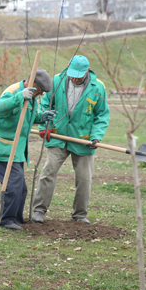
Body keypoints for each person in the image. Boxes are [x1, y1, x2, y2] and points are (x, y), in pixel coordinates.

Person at [32, 55, 110, 224]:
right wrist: (44, 126)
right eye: (72, 74)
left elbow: (102, 115)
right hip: (57, 134)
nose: (74, 78)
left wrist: (96, 136)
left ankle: (80, 214)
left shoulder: (98, 88)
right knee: (48, 172)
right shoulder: (57, 81)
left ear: (87, 71)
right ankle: (38, 210)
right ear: (68, 67)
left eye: (79, 76)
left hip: (83, 140)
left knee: (84, 178)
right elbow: (46, 104)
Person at [0, 68, 55, 230]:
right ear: (34, 84)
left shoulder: (32, 97)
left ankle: (15, 218)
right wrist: (19, 97)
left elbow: (27, 116)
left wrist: (42, 116)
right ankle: (4, 219)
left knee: (21, 188)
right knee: (14, 184)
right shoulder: (14, 91)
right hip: (4, 146)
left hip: (17, 148)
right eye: (41, 90)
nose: (41, 94)